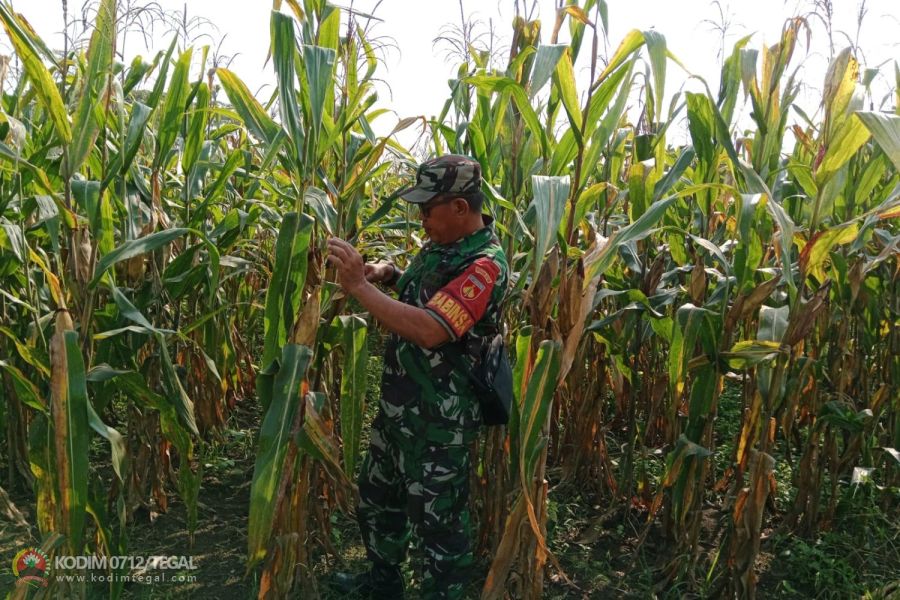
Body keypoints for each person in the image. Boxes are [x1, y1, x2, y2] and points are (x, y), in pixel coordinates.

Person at [326, 155, 509, 599]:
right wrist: (386, 274)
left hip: (439, 424)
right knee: (377, 501)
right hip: (399, 410)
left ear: (461, 208)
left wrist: (358, 287)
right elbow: (423, 288)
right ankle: (382, 585)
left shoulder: (484, 267)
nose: (421, 215)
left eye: (429, 206)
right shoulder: (443, 246)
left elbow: (432, 329)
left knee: (439, 526)